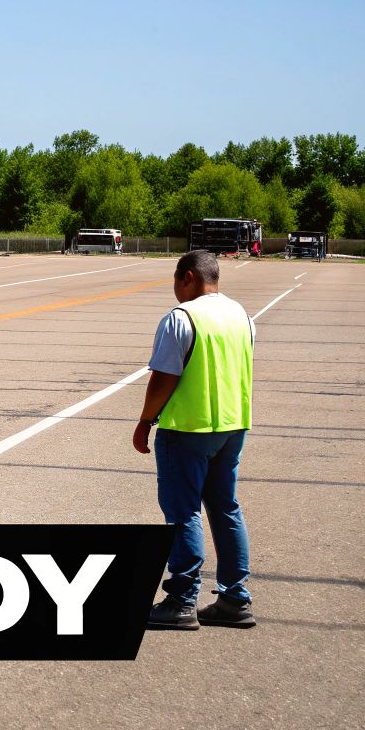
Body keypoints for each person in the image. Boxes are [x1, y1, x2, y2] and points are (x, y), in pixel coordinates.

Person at [133, 249, 257, 630]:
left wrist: (145, 421)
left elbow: (164, 377)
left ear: (188, 277)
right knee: (225, 509)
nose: (174, 290)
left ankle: (182, 600)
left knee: (182, 512)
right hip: (232, 426)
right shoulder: (242, 316)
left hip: (187, 429)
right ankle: (235, 599)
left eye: (175, 281)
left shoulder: (181, 318)